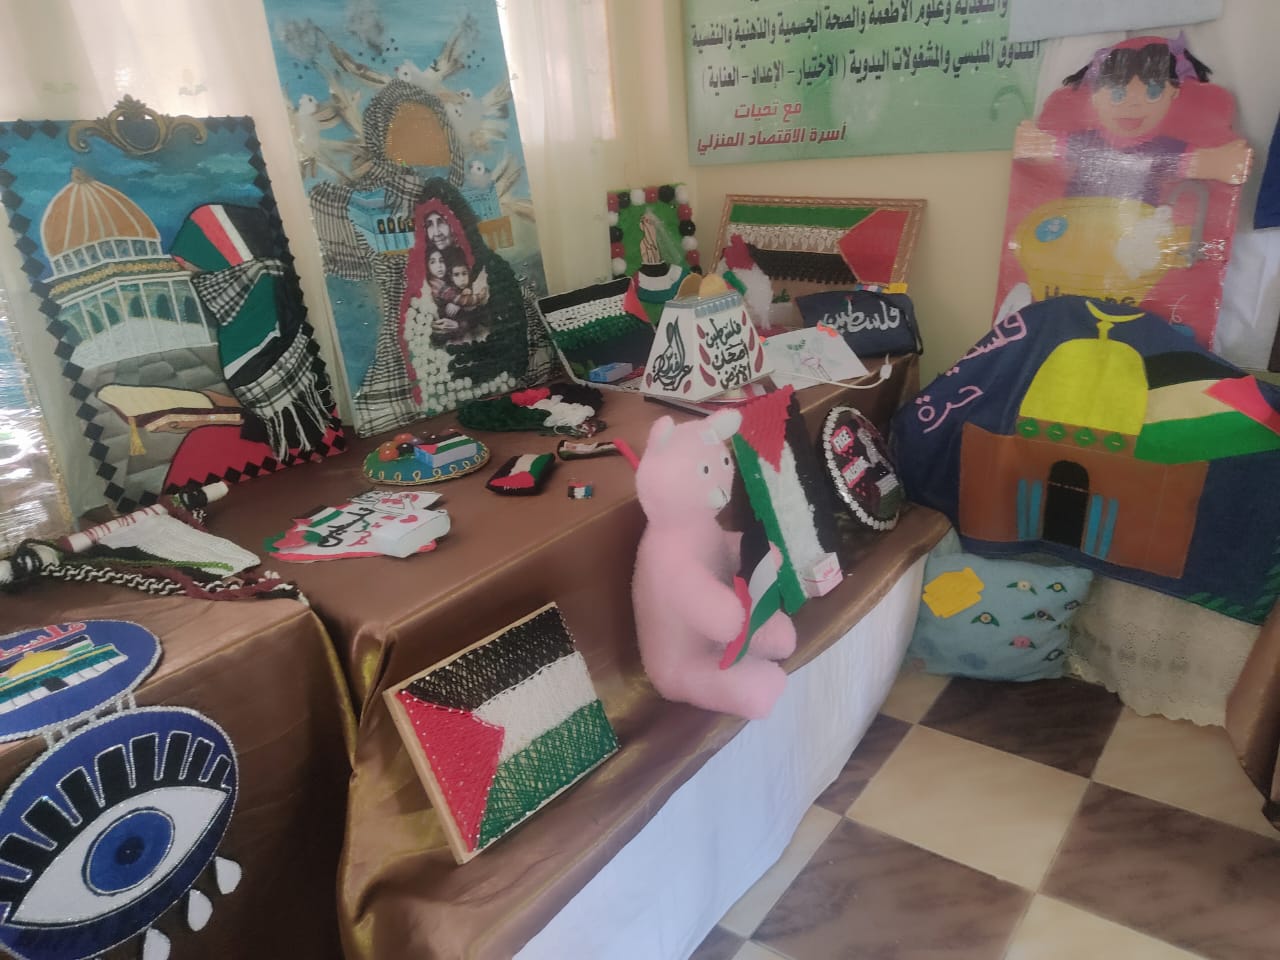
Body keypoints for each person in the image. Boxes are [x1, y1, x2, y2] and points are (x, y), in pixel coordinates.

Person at [1013, 35, 1250, 205]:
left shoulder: (1162, 149)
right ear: (1095, 97)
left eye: (1153, 93)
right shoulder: (1086, 143)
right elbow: (1054, 149)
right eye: (1117, 95)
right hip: (1075, 229)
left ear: (1173, 94)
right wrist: (1035, 144)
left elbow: (1187, 162)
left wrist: (1217, 163)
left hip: (1136, 238)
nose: (1133, 104)